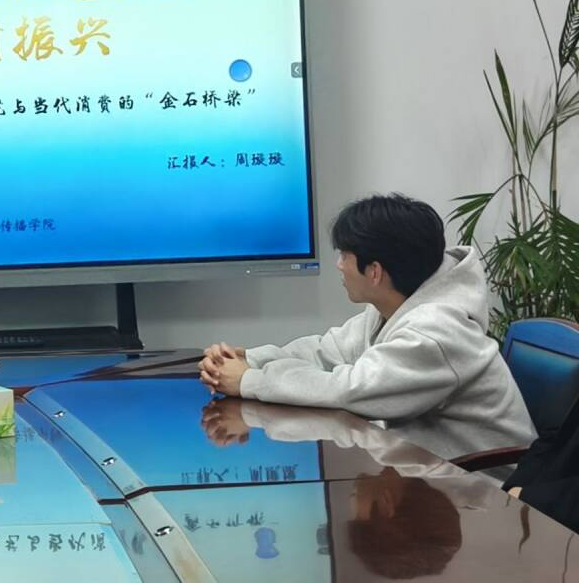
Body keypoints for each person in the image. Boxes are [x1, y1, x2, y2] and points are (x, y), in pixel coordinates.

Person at [198, 193, 535, 460]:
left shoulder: (436, 332)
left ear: (374, 272)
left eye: (345, 255)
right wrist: (248, 360)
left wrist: (248, 380)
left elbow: (352, 390)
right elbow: (326, 352)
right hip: (431, 473)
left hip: (487, 492)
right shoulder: (397, 304)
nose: (339, 265)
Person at [503, 395, 579, 532]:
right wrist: (516, 486)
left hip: (560, 519)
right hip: (537, 499)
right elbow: (556, 435)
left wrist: (529, 496)